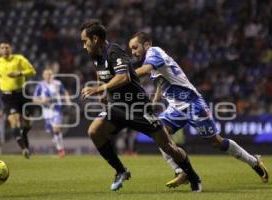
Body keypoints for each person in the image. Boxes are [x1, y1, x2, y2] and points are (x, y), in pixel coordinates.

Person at [128, 31, 269, 187]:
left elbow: (146, 70)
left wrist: (125, 75)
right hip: (175, 107)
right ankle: (181, 172)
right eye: (131, 49)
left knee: (216, 142)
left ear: (147, 44)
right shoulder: (152, 59)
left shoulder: (154, 52)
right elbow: (161, 81)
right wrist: (155, 101)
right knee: (159, 133)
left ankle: (254, 161)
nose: (133, 52)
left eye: (135, 47)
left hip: (193, 103)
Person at [80, 19, 201, 192]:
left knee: (168, 147)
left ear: (95, 39)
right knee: (94, 131)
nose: (84, 46)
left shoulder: (114, 51)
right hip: (118, 107)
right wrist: (103, 94)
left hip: (138, 107)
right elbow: (101, 73)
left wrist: (100, 88)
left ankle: (192, 175)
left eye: (85, 41)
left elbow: (124, 77)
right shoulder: (96, 56)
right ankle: (121, 171)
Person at [0, 39, 36, 158]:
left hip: (22, 94)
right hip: (7, 96)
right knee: (14, 120)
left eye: (7, 47)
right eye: (2, 47)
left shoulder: (19, 59)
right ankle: (24, 149)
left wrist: (20, 73)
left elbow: (32, 71)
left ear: (11, 49)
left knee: (27, 123)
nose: (5, 49)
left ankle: (23, 135)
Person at [33, 68, 72, 157]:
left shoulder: (57, 83)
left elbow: (65, 92)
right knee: (53, 133)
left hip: (57, 109)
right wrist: (41, 101)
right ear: (43, 76)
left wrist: (68, 100)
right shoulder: (40, 85)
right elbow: (34, 98)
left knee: (56, 129)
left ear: (52, 75)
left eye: (49, 74)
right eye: (46, 74)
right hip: (46, 112)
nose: (48, 76)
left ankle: (61, 150)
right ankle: (60, 149)